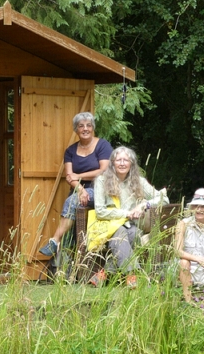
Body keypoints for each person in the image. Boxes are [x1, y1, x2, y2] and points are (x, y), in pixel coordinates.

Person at [91, 146, 169, 287]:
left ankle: (104, 273)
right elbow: (100, 212)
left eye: (125, 160)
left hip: (131, 226)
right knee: (121, 232)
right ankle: (132, 275)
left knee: (133, 234)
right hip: (109, 225)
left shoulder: (139, 181)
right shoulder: (101, 180)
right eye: (118, 160)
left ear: (131, 163)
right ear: (112, 163)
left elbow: (164, 199)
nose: (122, 163)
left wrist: (144, 205)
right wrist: (126, 213)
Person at [38, 112, 112, 258]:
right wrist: (80, 189)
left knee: (71, 201)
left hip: (99, 190)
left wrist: (79, 176)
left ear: (93, 128)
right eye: (81, 126)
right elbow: (69, 176)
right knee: (72, 204)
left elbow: (104, 170)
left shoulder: (103, 145)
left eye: (89, 125)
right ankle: (66, 264)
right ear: (76, 129)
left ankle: (54, 240)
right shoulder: (70, 151)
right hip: (78, 191)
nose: (85, 129)